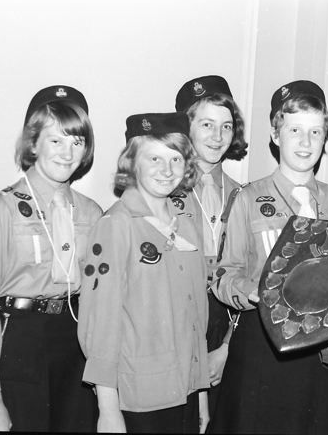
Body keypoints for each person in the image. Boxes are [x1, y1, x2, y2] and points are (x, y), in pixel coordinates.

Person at [208, 80, 328, 434]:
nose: (305, 142)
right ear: (275, 135)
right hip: (263, 344)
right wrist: (253, 290)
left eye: (315, 132)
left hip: (321, 345)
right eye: (295, 130)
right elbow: (223, 276)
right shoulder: (248, 198)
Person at [0, 85, 101, 431]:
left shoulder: (91, 213)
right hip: (17, 344)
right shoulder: (3, 209)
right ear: (33, 142)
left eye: (77, 142)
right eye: (56, 140)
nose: (67, 153)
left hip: (75, 347)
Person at [77, 112, 210, 433]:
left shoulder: (188, 226)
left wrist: (202, 399)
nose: (167, 171)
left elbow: (196, 321)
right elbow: (100, 326)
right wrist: (107, 411)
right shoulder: (115, 226)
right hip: (138, 398)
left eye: (176, 159)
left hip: (187, 392)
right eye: (154, 158)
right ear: (132, 163)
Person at [174, 75, 248, 415]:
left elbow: (250, 278)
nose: (217, 137)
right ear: (186, 127)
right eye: (206, 124)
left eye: (226, 126)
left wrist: (227, 346)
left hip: (226, 323)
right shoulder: (161, 193)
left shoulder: (245, 196)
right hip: (173, 324)